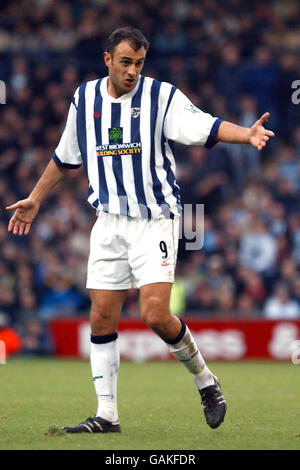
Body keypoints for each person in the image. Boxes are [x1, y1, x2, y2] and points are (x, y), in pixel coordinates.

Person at [6, 26, 275, 434]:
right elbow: (65, 157)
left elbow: (206, 126)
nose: (133, 71)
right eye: (126, 62)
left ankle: (206, 380)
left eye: (139, 63)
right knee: (100, 317)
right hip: (108, 222)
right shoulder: (85, 99)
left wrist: (247, 134)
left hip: (155, 219)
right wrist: (36, 198)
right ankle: (107, 414)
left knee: (153, 313)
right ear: (107, 60)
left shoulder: (160, 97)